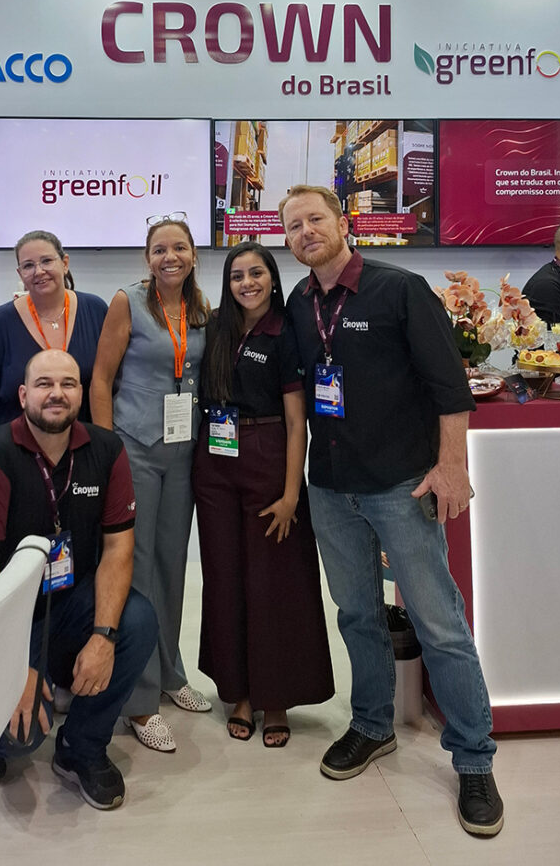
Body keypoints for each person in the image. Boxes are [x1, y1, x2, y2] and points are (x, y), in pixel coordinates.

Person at [279, 184, 503, 838]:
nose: (304, 232)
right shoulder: (298, 303)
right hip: (331, 486)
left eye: (314, 219)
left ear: (342, 223)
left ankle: (473, 758)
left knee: (438, 621)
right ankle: (373, 725)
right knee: (356, 614)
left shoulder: (399, 289)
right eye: (292, 226)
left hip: (400, 484)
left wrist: (451, 466)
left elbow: (449, 387)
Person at [0, 349, 157, 809]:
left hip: (63, 605)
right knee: (21, 737)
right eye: (44, 384)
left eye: (67, 383)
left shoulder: (106, 451)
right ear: (23, 395)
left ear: (81, 394)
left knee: (138, 620)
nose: (56, 393)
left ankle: (81, 748)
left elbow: (118, 550)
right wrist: (13, 665)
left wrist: (103, 638)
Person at [192, 241, 333, 747]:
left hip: (268, 457)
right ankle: (239, 692)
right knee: (224, 578)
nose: (247, 283)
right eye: (237, 276)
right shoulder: (216, 327)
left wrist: (292, 493)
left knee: (275, 581)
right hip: (214, 461)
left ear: (272, 279)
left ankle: (276, 697)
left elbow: (297, 422)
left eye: (256, 273)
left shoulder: (284, 330)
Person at [90, 213, 211, 753]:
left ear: (193, 255)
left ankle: (169, 672)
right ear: (147, 257)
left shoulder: (201, 309)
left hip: (182, 453)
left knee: (171, 564)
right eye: (160, 249)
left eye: (179, 247)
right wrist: (108, 453)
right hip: (134, 449)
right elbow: (100, 380)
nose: (170, 257)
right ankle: (139, 702)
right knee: (135, 568)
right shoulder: (128, 302)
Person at [0, 230, 107, 471]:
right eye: (28, 265)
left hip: (81, 460)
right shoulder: (0, 322)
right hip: (14, 461)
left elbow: (109, 388)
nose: (38, 271)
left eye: (47, 261)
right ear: (20, 274)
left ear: (65, 263)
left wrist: (106, 456)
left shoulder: (95, 311)